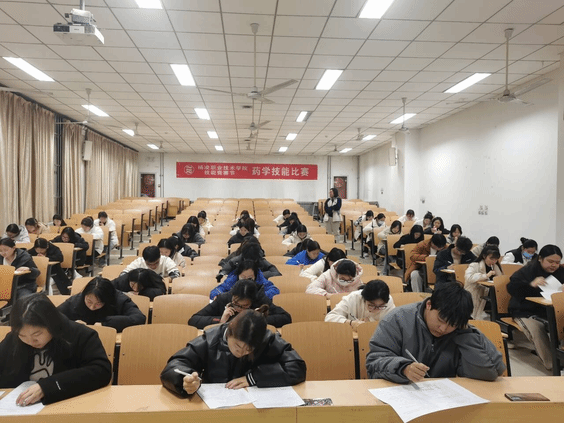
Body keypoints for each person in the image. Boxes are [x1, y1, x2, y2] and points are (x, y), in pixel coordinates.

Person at [366, 282, 506, 383]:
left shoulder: (461, 330)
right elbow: (374, 363)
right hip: (401, 394)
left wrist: (466, 333)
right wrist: (403, 368)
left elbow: (491, 372)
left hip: (443, 400)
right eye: (440, 320)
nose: (443, 329)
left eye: (452, 325)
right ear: (429, 305)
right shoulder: (397, 319)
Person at [161, 307, 306, 395]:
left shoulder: (267, 340)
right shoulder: (211, 339)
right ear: (229, 331)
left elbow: (297, 367)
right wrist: (185, 381)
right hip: (214, 406)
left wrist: (253, 378)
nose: (242, 352)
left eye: (249, 349)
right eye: (237, 345)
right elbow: (173, 366)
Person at [0, 294, 111, 405]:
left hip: (67, 406)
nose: (31, 341)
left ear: (52, 324)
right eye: (22, 336)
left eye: (37, 334)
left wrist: (48, 387)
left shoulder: (79, 335)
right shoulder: (13, 339)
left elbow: (101, 371)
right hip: (20, 409)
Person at [507, 244, 564, 370]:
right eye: (550, 261)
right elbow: (511, 288)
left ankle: (561, 355)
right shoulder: (528, 270)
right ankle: (553, 365)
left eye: (557, 262)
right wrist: (531, 285)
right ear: (540, 258)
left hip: (549, 310)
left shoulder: (560, 271)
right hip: (524, 310)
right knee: (537, 329)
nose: (554, 265)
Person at [189, 279, 291, 329]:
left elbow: (286, 317)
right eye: (236, 304)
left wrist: (258, 318)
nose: (239, 309)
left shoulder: (260, 299)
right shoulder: (224, 298)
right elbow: (194, 319)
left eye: (244, 306)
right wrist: (221, 320)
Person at [57, 276, 146, 332]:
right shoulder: (76, 300)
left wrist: (105, 323)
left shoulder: (119, 299)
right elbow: (54, 316)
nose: (92, 307)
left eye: (98, 303)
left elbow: (139, 318)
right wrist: (71, 324)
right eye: (89, 301)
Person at [325, 280, 395, 330]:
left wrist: (370, 322)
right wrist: (351, 323)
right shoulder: (353, 297)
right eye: (371, 305)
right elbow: (330, 317)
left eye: (380, 306)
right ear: (364, 299)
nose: (376, 310)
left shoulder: (388, 302)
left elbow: (393, 326)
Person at [464, 245, 503, 320]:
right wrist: (485, 276)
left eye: (496, 259)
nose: (493, 261)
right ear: (484, 256)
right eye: (491, 258)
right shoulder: (474, 265)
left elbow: (501, 280)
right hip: (475, 294)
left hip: (489, 295)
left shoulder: (495, 267)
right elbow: (469, 277)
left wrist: (497, 272)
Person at [210, 259, 279, 300]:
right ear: (238, 275)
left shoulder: (259, 279)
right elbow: (217, 290)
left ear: (255, 276)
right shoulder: (232, 279)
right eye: (243, 277)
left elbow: (274, 290)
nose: (246, 280)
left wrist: (258, 297)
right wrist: (220, 297)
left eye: (250, 278)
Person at [217, 240, 281, 281]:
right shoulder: (235, 261)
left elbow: (276, 273)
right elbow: (223, 272)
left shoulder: (260, 260)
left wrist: (258, 275)